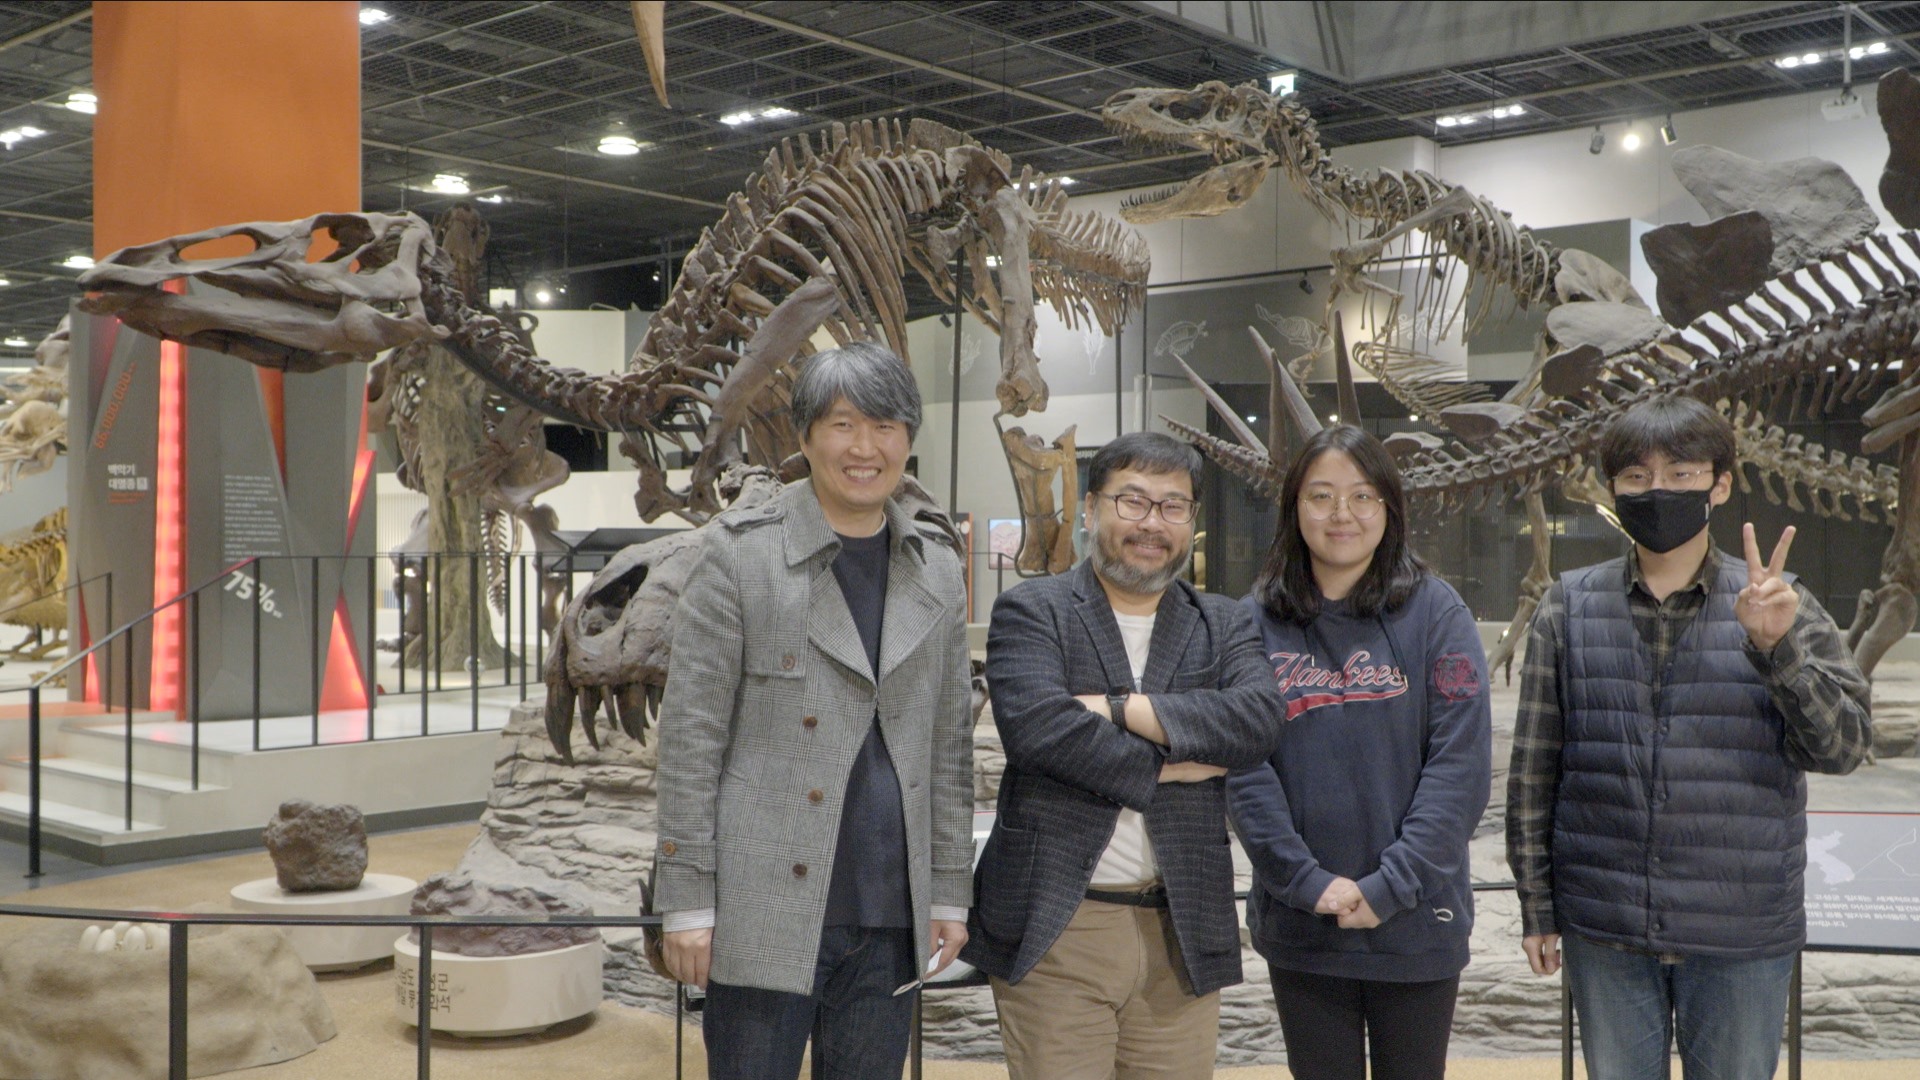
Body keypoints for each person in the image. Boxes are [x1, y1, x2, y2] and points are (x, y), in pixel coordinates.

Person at [1507, 396, 1871, 1080]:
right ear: (1613, 488)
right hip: (1606, 924)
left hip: (1740, 928)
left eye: (1680, 474)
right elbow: (1534, 772)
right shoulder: (1568, 605)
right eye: (1637, 476)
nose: (1658, 491)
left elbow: (1844, 747)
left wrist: (1779, 650)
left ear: (1720, 484)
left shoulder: (1781, 601)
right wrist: (1537, 905)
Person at [652, 342, 975, 1080]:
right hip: (760, 907)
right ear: (805, 436)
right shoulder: (740, 555)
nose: (865, 448)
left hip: (890, 912)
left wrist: (949, 891)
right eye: (842, 424)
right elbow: (692, 742)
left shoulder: (937, 568)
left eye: (885, 426)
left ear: (909, 439)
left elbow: (949, 749)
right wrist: (687, 903)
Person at [963, 431, 1282, 1080]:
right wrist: (1175, 763)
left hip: (1182, 926)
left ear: (1191, 519)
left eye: (1172, 506)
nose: (1151, 523)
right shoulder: (1034, 609)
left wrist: (1114, 708)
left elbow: (1256, 722)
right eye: (1132, 501)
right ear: (1090, 508)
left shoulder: (1223, 621)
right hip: (1060, 925)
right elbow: (1040, 730)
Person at [1226, 424, 1492, 1080]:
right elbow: (1244, 766)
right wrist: (1305, 882)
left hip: (1417, 923)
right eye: (1321, 496)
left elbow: (1459, 767)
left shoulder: (1438, 614)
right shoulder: (1251, 622)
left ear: (1389, 508)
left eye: (1362, 495)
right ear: (1294, 508)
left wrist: (1393, 884)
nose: (1341, 513)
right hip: (1304, 924)